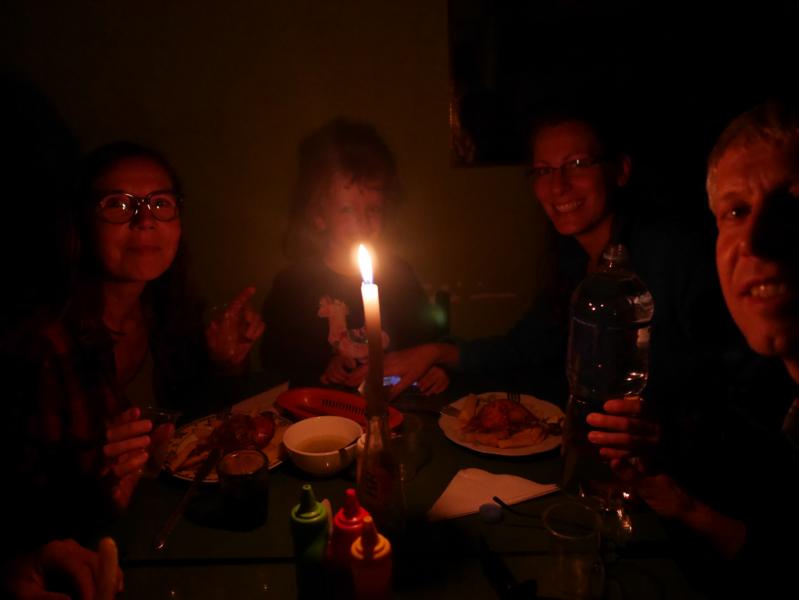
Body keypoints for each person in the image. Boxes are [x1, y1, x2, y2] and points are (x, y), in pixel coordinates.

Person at [2, 142, 264, 559]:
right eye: (118, 204)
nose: (144, 220)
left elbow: (194, 439)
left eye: (160, 203)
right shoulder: (42, 347)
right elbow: (14, 513)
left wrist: (224, 365)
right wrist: (90, 477)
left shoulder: (168, 313)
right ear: (82, 223)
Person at [384, 107, 734, 416]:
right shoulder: (572, 262)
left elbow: (722, 383)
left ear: (620, 170)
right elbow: (527, 346)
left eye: (578, 164)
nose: (558, 186)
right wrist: (439, 352)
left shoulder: (670, 255)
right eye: (543, 170)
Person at [593, 99, 799, 594]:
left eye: (792, 205)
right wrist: (683, 503)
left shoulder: (663, 256)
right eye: (735, 211)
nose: (755, 240)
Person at [260, 117, 447, 393]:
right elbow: (277, 358)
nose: (362, 222)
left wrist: (436, 369)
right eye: (347, 210)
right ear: (319, 215)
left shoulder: (399, 277)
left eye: (373, 210)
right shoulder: (293, 286)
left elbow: (429, 338)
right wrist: (323, 364)